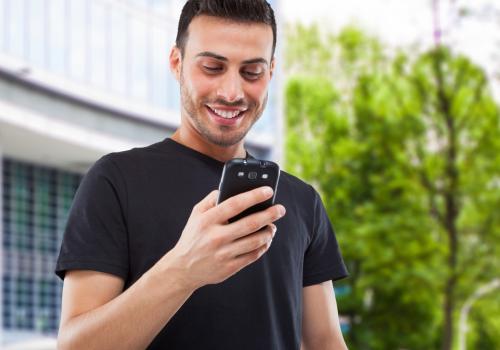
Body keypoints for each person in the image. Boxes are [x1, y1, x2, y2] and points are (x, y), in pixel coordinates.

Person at [55, 1, 348, 349]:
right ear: (176, 63)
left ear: (270, 72)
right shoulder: (115, 181)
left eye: (251, 73)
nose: (231, 93)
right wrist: (183, 271)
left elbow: (326, 342)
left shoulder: (301, 201)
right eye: (212, 67)